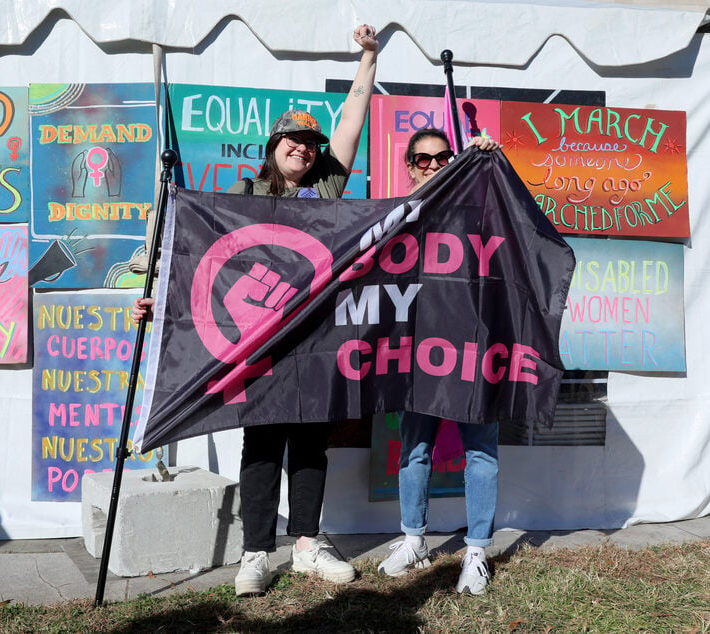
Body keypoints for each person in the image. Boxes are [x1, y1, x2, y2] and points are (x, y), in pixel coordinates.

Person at [132, 24, 379, 597]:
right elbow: (186, 248)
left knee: (311, 444)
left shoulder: (329, 191)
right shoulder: (239, 195)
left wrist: (368, 58)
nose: (302, 146)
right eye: (291, 139)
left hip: (316, 339)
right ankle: (255, 554)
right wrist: (152, 296)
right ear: (271, 146)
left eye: (310, 143)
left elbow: (350, 121)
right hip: (259, 343)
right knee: (263, 445)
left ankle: (309, 545)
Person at [377, 127, 501, 595]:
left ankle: (476, 551)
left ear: (453, 160)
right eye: (422, 159)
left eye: (441, 158)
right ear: (409, 164)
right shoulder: (397, 210)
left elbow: (512, 214)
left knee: (481, 450)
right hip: (419, 349)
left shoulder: (477, 203)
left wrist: (487, 159)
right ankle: (414, 539)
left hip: (472, 344)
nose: (431, 165)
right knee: (414, 448)